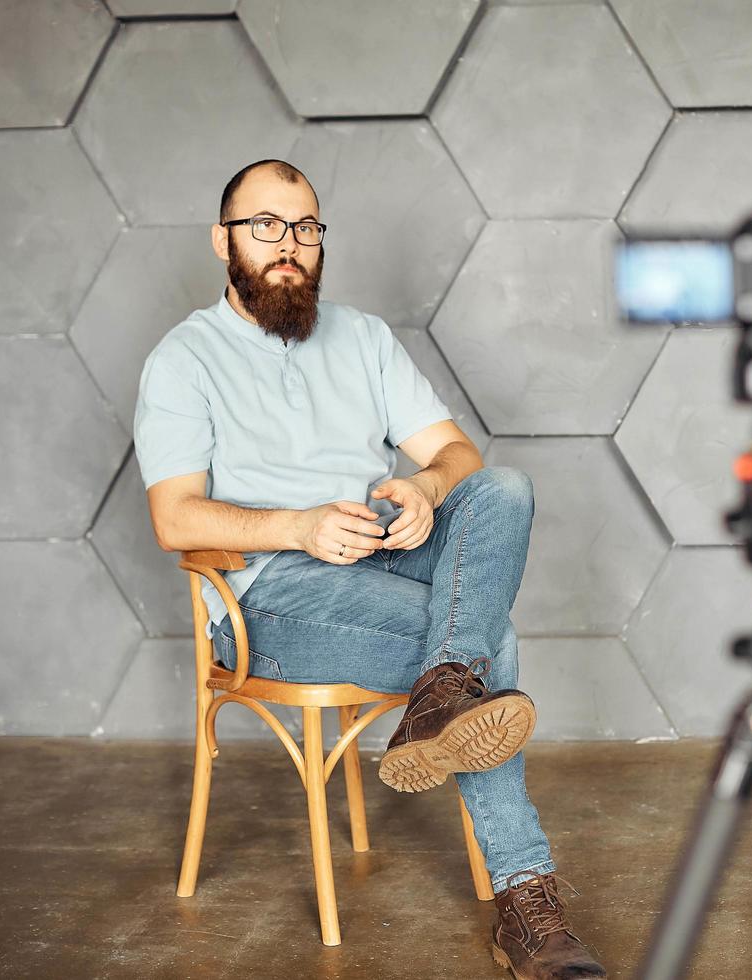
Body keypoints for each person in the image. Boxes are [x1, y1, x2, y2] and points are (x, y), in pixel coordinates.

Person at [133, 159, 606, 980]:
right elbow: (174, 518)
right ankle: (527, 905)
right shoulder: (183, 358)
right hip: (269, 597)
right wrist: (298, 526)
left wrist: (424, 488)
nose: (291, 245)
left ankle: (442, 693)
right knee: (493, 640)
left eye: (307, 227)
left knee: (503, 489)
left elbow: (457, 453)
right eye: (267, 225)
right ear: (223, 240)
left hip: (384, 544)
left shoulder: (363, 336)